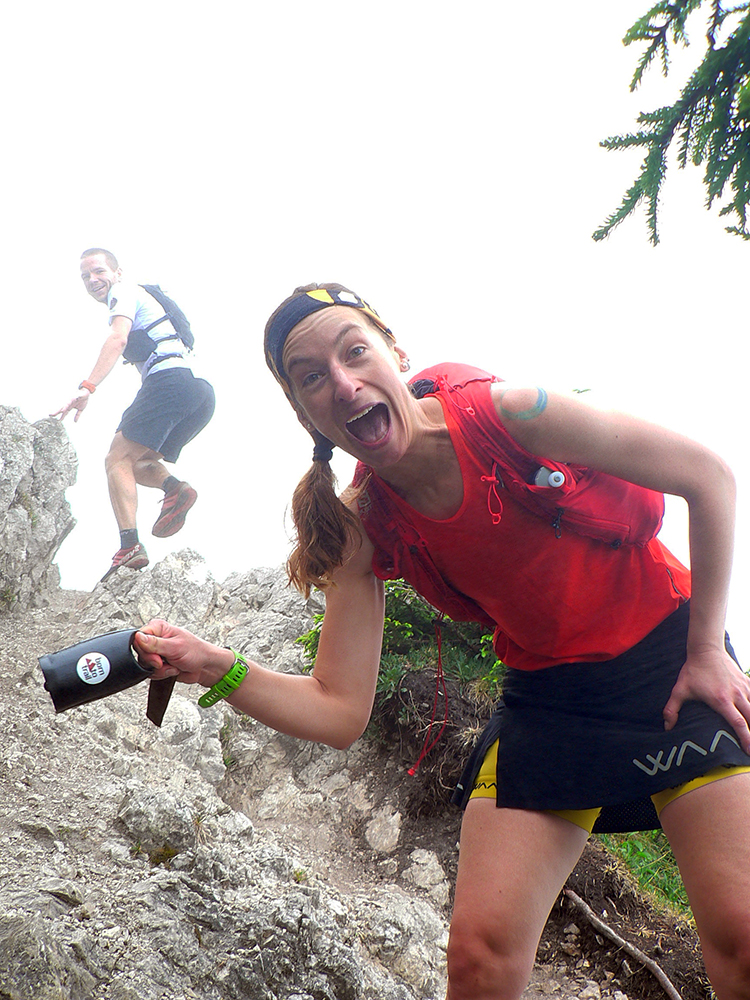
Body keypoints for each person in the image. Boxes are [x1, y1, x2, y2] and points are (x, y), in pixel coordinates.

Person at [134, 283, 750, 1000]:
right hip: (549, 701)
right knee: (480, 961)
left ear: (395, 353)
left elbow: (707, 476)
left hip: (670, 663)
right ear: (302, 412)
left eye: (355, 352)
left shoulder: (512, 416)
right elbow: (338, 710)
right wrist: (214, 665)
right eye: (311, 378)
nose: (343, 382)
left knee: (741, 934)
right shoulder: (360, 527)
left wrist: (707, 650)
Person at [54, 249, 215, 581]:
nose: (92, 280)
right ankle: (176, 489)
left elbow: (117, 339)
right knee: (137, 464)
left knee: (116, 460)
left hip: (169, 381)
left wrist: (87, 387)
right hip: (199, 392)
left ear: (117, 273)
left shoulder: (123, 292)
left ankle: (129, 547)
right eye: (85, 276)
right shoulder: (146, 297)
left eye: (99, 271)